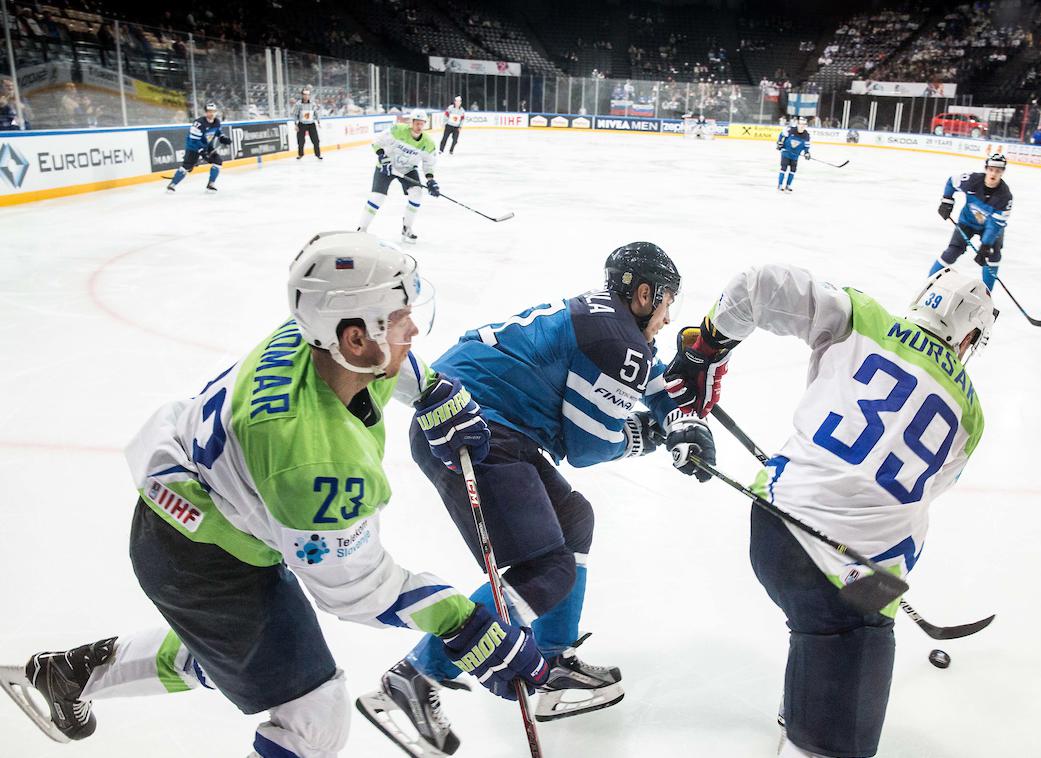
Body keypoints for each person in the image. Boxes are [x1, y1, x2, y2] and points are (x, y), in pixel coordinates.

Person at [0, 232, 549, 757]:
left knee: (243, 655)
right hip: (201, 559)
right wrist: (465, 624)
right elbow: (358, 590)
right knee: (314, 713)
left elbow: (389, 360)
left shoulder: (320, 336)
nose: (413, 333)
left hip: (195, 514)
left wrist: (431, 390)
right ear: (355, 338)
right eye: (401, 319)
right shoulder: (315, 465)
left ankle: (70, 673)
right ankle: (75, 673)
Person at [380, 242, 718, 755]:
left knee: (574, 521)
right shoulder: (618, 342)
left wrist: (681, 417)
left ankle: (552, 658)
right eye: (667, 303)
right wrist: (653, 436)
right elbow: (586, 446)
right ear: (645, 294)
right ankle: (416, 676)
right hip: (471, 429)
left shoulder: (607, 321)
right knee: (544, 568)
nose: (670, 318)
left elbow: (652, 384)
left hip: (485, 420)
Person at [664, 264, 995, 758]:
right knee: (846, 696)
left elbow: (758, 285)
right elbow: (913, 494)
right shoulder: (972, 416)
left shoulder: (865, 316)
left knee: (845, 612)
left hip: (776, 526)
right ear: (969, 337)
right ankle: (814, 722)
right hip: (843, 581)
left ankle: (812, 691)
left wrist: (706, 349)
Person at [931, 153, 1013, 291]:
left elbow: (995, 225)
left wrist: (986, 245)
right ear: (986, 169)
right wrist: (946, 201)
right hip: (967, 222)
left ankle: (987, 295)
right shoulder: (972, 180)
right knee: (952, 251)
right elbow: (952, 182)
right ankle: (929, 282)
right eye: (991, 169)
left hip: (990, 227)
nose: (994, 174)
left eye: (998, 171)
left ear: (1002, 172)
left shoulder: (1005, 197)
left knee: (993, 256)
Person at [357, 110, 439, 243]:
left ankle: (407, 228)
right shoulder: (398, 130)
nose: (419, 126)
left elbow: (428, 164)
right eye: (417, 123)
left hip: (407, 169)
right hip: (386, 167)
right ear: (411, 122)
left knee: (417, 194)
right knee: (377, 197)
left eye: (422, 124)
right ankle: (362, 229)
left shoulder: (428, 143)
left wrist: (431, 180)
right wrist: (383, 158)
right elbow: (376, 142)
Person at [167, 102, 231, 193]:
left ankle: (210, 184)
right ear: (205, 112)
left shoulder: (217, 122)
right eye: (209, 111)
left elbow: (217, 132)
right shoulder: (198, 123)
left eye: (213, 111)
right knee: (186, 167)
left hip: (207, 146)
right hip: (193, 147)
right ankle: (172, 185)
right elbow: (194, 140)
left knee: (218, 162)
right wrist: (201, 151)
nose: (211, 113)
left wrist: (223, 137)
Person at [776, 119, 812, 192]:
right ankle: (780, 185)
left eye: (804, 124)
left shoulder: (806, 135)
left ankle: (788, 185)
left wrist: (806, 153)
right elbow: (781, 135)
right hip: (786, 153)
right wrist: (779, 143)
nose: (802, 126)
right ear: (797, 124)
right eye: (801, 124)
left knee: (793, 170)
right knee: (783, 169)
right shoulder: (790, 130)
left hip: (795, 156)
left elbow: (806, 146)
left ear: (806, 126)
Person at [294, 87, 322, 160]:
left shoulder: (313, 103)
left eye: (308, 95)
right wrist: (296, 124)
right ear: (302, 95)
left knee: (316, 140)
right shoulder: (298, 104)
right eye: (305, 94)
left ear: (309, 95)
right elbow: (295, 114)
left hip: (311, 124)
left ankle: (318, 154)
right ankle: (300, 154)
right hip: (301, 124)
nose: (306, 96)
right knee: (300, 141)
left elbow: (316, 113)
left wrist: (318, 121)